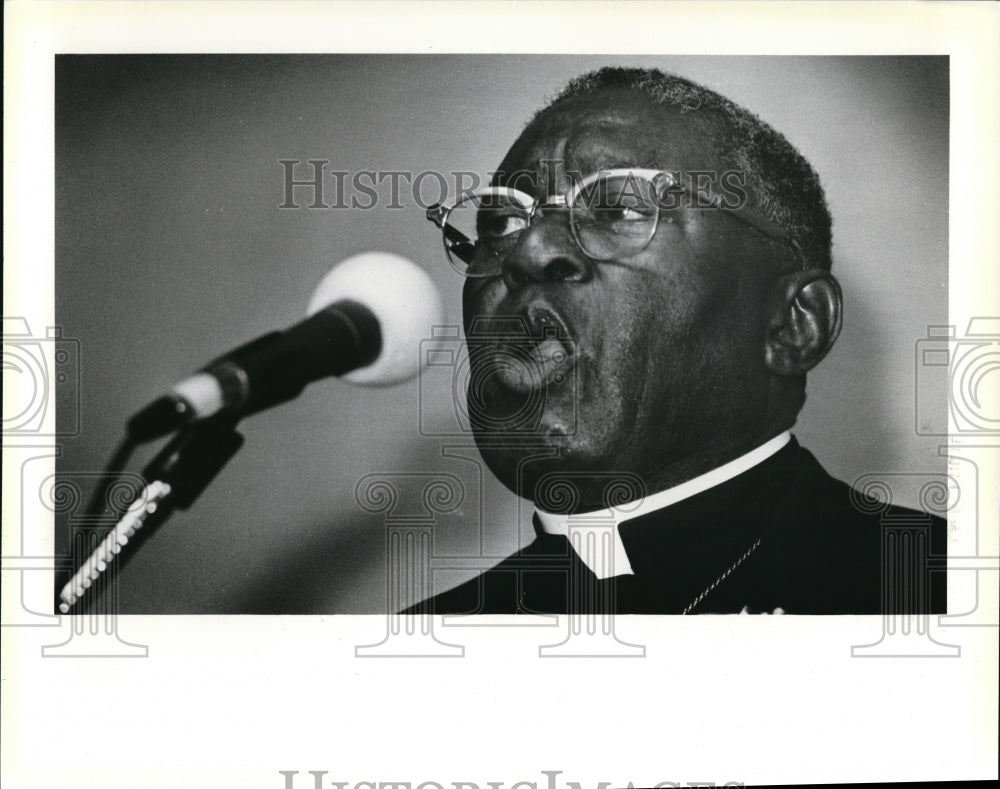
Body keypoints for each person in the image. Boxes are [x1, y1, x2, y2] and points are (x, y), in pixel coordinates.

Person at [409, 66, 946, 615]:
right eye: (500, 223)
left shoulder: (942, 592)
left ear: (793, 325)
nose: (527, 252)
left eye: (617, 208)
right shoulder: (420, 647)